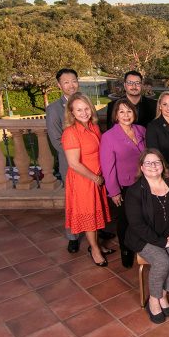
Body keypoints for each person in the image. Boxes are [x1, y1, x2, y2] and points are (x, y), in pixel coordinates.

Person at [125, 149, 169, 324]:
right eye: (148, 163)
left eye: (157, 162)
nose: (153, 166)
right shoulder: (135, 191)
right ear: (141, 167)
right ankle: (154, 301)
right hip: (145, 238)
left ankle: (161, 295)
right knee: (162, 261)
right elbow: (137, 225)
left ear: (163, 165)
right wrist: (161, 242)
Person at [62, 93, 112, 267]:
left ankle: (97, 245)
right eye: (79, 110)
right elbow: (74, 164)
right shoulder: (71, 132)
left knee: (96, 215)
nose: (84, 113)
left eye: (86, 108)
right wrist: (95, 177)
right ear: (71, 112)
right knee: (90, 216)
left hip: (96, 178)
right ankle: (95, 250)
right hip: (84, 180)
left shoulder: (93, 126)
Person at [100, 98, 146, 268]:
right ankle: (126, 252)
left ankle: (144, 249)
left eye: (129, 111)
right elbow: (108, 167)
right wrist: (114, 192)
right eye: (121, 112)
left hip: (144, 183)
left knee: (143, 218)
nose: (126, 115)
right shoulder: (109, 137)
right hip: (124, 187)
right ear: (116, 115)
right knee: (125, 221)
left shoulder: (142, 130)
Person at [46, 68, 81, 253]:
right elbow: (56, 140)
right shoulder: (53, 109)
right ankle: (73, 236)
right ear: (59, 85)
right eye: (66, 82)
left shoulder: (85, 103)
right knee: (73, 200)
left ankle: (95, 229)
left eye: (73, 80)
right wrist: (76, 158)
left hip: (90, 161)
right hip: (70, 163)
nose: (71, 85)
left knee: (91, 196)